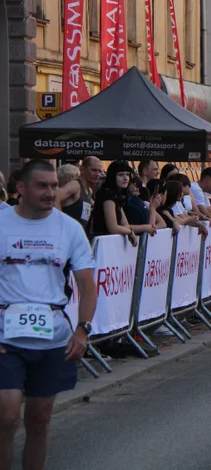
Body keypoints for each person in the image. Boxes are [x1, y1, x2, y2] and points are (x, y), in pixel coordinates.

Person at [0, 160, 96, 470]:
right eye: (42, 186)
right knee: (7, 415)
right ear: (21, 189)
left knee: (39, 419)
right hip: (5, 336)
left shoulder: (69, 229)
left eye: (54, 186)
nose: (50, 192)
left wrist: (82, 330)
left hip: (52, 338)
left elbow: (86, 284)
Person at [88, 162, 142, 246]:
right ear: (113, 177)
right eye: (120, 175)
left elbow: (125, 224)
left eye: (127, 175)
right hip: (101, 244)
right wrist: (130, 232)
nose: (125, 178)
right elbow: (113, 228)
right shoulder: (107, 195)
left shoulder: (117, 196)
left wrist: (130, 231)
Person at [54, 156, 103, 236]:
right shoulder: (75, 185)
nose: (98, 174)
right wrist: (61, 222)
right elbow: (55, 197)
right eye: (94, 170)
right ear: (82, 169)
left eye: (100, 171)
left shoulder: (88, 190)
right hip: (67, 235)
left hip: (79, 235)